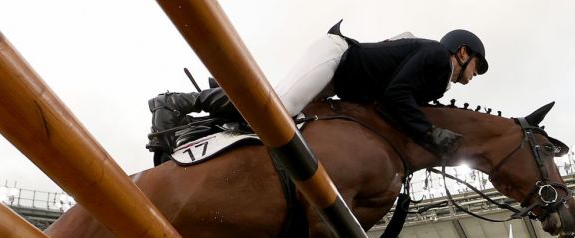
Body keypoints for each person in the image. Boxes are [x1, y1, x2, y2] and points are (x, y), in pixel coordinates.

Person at [146, 24, 487, 162]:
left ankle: (208, 124)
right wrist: (429, 133)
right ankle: (174, 102)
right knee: (278, 110)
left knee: (283, 116)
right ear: (461, 52)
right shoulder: (436, 58)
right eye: (477, 64)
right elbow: (396, 97)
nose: (475, 73)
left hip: (341, 81)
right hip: (336, 57)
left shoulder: (437, 77)